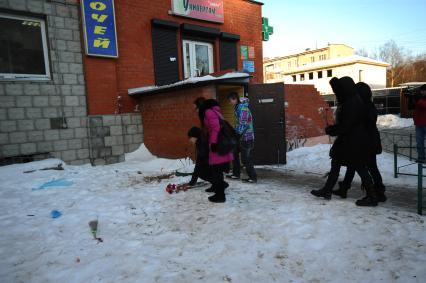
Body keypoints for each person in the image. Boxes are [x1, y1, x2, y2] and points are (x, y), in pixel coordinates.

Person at [311, 76, 378, 206]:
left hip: (353, 141)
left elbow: (346, 125)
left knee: (359, 167)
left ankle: (372, 196)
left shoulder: (352, 103)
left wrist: (332, 129)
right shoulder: (352, 100)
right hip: (350, 140)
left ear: (346, 88)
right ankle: (328, 189)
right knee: (337, 163)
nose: (338, 93)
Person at [333, 82, 386, 202]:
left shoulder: (364, 107)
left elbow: (362, 125)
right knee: (354, 165)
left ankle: (377, 192)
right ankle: (345, 188)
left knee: (369, 167)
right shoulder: (367, 105)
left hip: (366, 142)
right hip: (369, 141)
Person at [195, 98, 233, 203]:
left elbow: (215, 128)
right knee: (217, 171)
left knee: (217, 172)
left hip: (217, 146)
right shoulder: (215, 111)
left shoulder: (208, 112)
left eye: (196, 108)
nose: (196, 110)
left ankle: (220, 196)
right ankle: (218, 192)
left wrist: (213, 143)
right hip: (220, 145)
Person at [186, 126, 229, 192]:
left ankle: (220, 184)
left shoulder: (202, 143)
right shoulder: (201, 142)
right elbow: (199, 161)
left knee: (201, 171)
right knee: (201, 169)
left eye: (190, 137)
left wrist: (192, 181)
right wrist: (193, 181)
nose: (190, 140)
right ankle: (216, 184)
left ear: (195, 136)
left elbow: (200, 162)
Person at [227, 92, 257, 183]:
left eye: (230, 100)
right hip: (240, 136)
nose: (230, 103)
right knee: (234, 153)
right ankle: (236, 174)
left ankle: (253, 177)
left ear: (234, 99)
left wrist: (237, 133)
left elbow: (243, 123)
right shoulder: (237, 108)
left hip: (246, 137)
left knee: (245, 158)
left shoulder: (243, 108)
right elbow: (238, 123)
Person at [409, 84, 426, 162]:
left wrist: (418, 100)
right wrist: (411, 100)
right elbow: (411, 107)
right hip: (418, 124)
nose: (422, 92)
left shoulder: (420, 99)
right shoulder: (419, 99)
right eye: (421, 91)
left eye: (423, 91)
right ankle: (421, 157)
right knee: (419, 143)